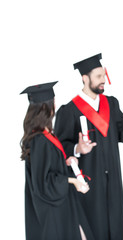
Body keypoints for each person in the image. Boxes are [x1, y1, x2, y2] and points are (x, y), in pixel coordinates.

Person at [54, 53, 123, 240]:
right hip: (88, 185)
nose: (104, 80)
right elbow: (59, 148)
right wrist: (76, 149)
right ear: (85, 79)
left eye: (104, 75)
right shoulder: (68, 111)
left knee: (115, 227)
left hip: (113, 184)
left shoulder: (111, 103)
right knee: (94, 228)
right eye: (99, 77)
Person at [20, 81, 94, 240]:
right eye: (53, 101)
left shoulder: (46, 135)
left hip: (62, 203)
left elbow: (49, 169)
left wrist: (65, 162)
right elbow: (43, 183)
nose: (55, 103)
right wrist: (73, 181)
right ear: (47, 108)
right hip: (53, 210)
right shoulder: (39, 140)